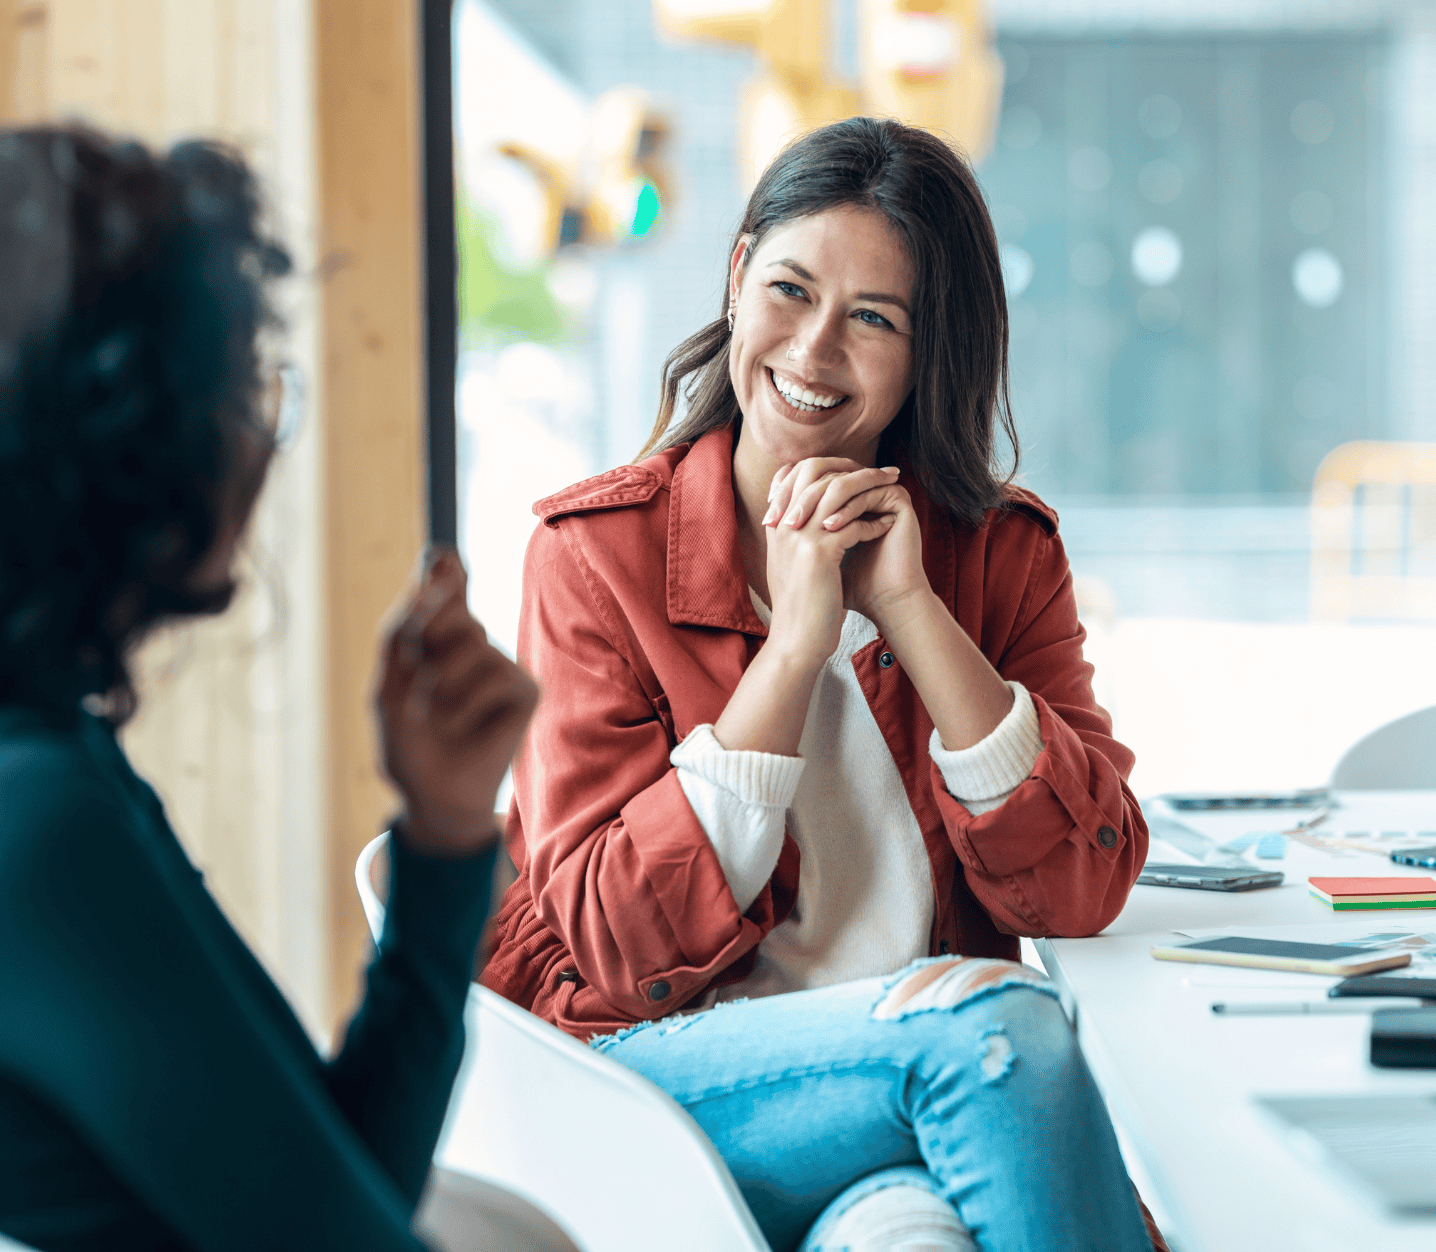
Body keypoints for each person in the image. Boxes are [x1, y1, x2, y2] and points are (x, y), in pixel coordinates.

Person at [482, 117, 1165, 1252]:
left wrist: (909, 608)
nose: (812, 351)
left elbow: (1077, 891)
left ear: (928, 350)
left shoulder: (1000, 555)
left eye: (873, 319)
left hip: (906, 1107)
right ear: (737, 276)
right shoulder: (594, 556)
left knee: (907, 1234)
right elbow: (618, 947)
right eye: (790, 292)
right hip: (667, 1084)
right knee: (999, 1028)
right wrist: (794, 650)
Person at [0, 126, 536, 1250]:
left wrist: (443, 837)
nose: (264, 441)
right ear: (129, 443)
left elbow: (350, 1180)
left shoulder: (60, 750)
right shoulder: (38, 820)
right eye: (246, 388)